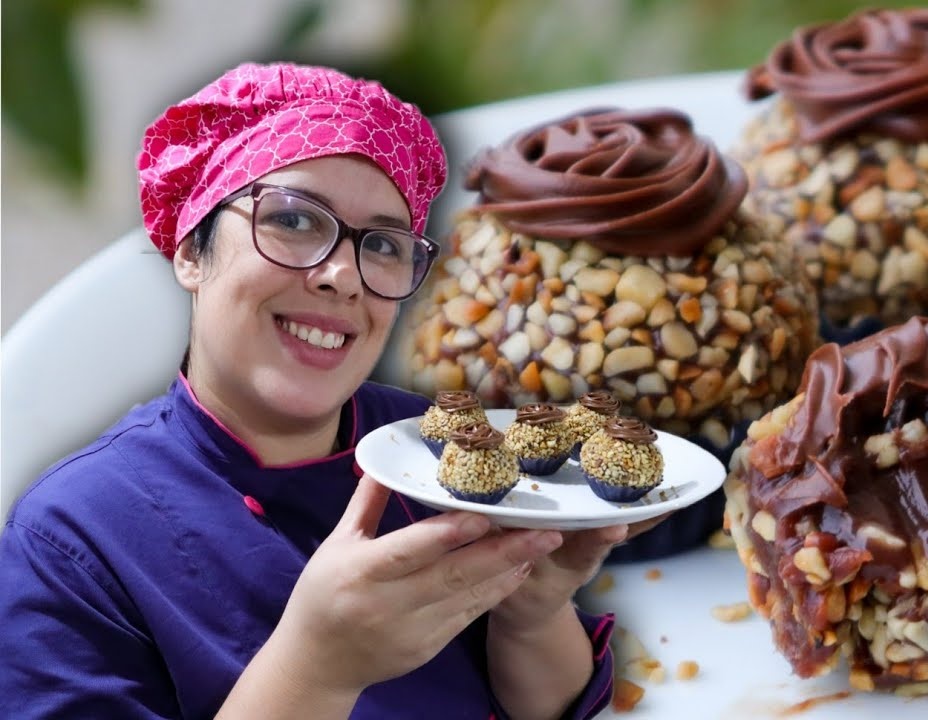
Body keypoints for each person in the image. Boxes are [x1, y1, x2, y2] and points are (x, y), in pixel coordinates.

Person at [0, 62, 630, 719]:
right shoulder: (71, 538)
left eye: (382, 244)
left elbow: (547, 707)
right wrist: (316, 669)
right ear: (191, 248)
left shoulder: (441, 451)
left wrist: (533, 613)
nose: (341, 277)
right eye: (295, 221)